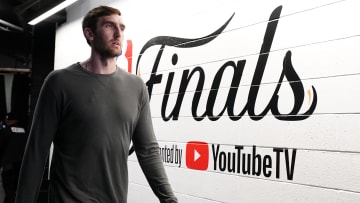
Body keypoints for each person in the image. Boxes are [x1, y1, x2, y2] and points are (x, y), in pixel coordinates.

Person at [15, 5, 177, 203]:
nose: (118, 33)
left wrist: (169, 199)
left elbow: (148, 151)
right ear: (90, 34)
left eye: (122, 27)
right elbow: (36, 152)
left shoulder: (136, 87)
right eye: (109, 26)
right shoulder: (59, 82)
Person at [0, 113, 27, 203]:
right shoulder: (25, 131)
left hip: (9, 165)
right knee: (16, 189)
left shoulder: (5, 131)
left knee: (9, 189)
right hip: (22, 165)